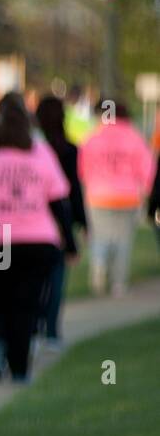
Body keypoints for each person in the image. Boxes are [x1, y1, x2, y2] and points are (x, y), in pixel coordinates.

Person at [0, 93, 71, 383]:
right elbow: (58, 201)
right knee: (25, 304)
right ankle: (19, 367)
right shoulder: (41, 153)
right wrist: (68, 239)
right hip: (36, 239)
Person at [78, 99, 153, 297]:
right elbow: (147, 168)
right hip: (128, 196)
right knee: (123, 240)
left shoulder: (93, 137)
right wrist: (145, 190)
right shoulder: (134, 136)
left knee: (99, 236)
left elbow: (83, 167)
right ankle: (118, 282)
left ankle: (99, 266)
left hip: (98, 195)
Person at [34, 95, 85, 349]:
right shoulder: (68, 149)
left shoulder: (33, 147)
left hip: (32, 219)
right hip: (56, 220)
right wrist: (80, 223)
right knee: (55, 277)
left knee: (35, 279)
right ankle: (51, 329)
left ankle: (36, 324)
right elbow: (73, 191)